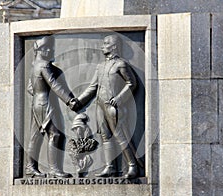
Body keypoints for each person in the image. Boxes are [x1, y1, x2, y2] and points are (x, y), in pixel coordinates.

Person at [71, 35, 139, 178]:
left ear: (113, 46)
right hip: (100, 105)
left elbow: (132, 83)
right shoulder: (100, 66)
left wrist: (119, 99)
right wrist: (79, 101)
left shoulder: (121, 64)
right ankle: (110, 167)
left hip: (113, 106)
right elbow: (92, 87)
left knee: (120, 136)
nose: (102, 45)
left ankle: (132, 166)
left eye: (106, 43)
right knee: (105, 136)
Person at [26, 36, 78, 178]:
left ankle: (30, 167)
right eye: (46, 48)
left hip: (38, 103)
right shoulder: (44, 65)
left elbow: (30, 88)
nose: (50, 50)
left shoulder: (35, 66)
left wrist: (39, 93)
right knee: (55, 134)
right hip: (46, 104)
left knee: (36, 136)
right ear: (39, 50)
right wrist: (69, 100)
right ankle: (54, 170)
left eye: (51, 48)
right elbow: (54, 85)